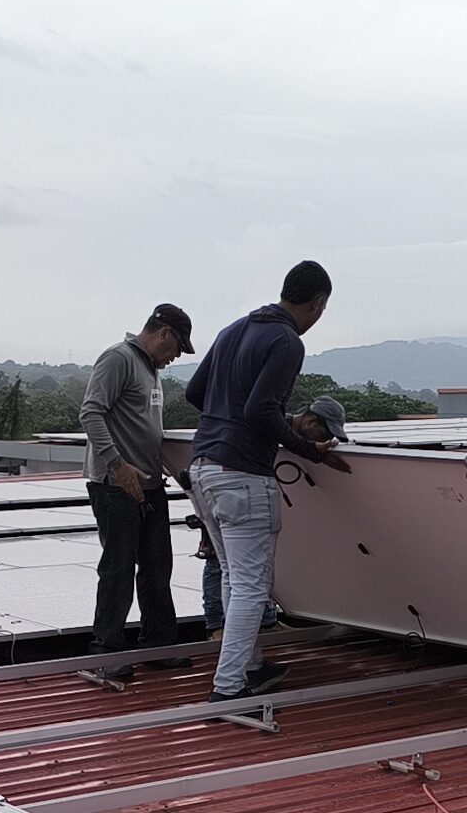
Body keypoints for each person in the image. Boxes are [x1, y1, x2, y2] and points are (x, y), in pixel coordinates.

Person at [185, 261, 352, 703]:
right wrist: (307, 448)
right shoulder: (286, 341)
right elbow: (259, 410)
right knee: (251, 586)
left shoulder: (233, 330)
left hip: (203, 468)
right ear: (318, 304)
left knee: (233, 577)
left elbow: (195, 393)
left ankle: (250, 666)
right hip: (242, 475)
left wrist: (228, 418)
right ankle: (229, 687)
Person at [80, 304, 196, 680]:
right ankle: (106, 650)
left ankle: (158, 644)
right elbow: (91, 413)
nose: (176, 356)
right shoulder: (119, 359)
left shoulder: (150, 369)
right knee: (118, 567)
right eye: (177, 347)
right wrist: (117, 464)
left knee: (157, 566)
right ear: (163, 334)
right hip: (115, 485)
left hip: (148, 484)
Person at [198, 395, 350, 640]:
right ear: (310, 421)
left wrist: (312, 451)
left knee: (245, 567)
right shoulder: (267, 424)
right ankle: (220, 629)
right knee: (231, 567)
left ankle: (257, 625)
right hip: (231, 487)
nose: (322, 441)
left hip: (214, 481)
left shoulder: (278, 432)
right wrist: (312, 452)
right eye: (323, 434)